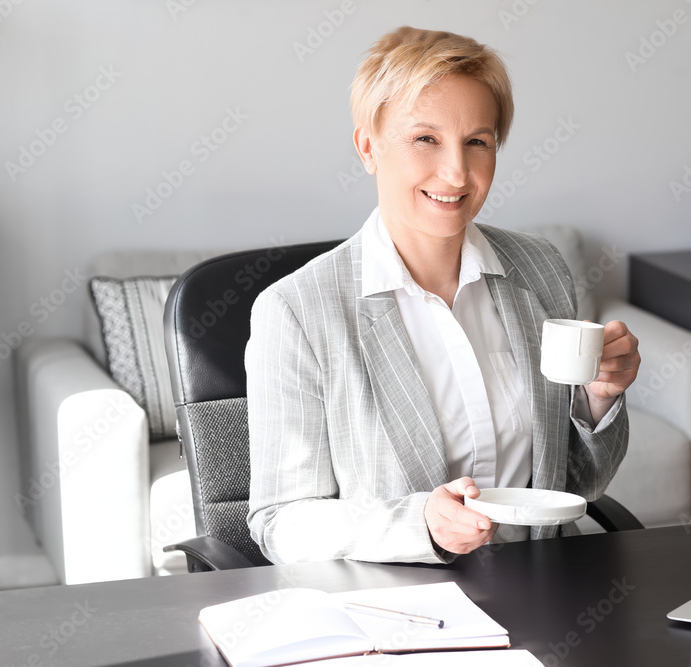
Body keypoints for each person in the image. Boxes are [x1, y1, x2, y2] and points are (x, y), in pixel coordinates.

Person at [245, 26, 639, 564]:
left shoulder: (539, 270)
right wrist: (420, 525)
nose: (456, 172)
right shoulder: (296, 312)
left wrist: (598, 398)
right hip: (400, 612)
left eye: (477, 141)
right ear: (368, 147)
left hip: (543, 591)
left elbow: (576, 486)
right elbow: (280, 524)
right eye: (425, 139)